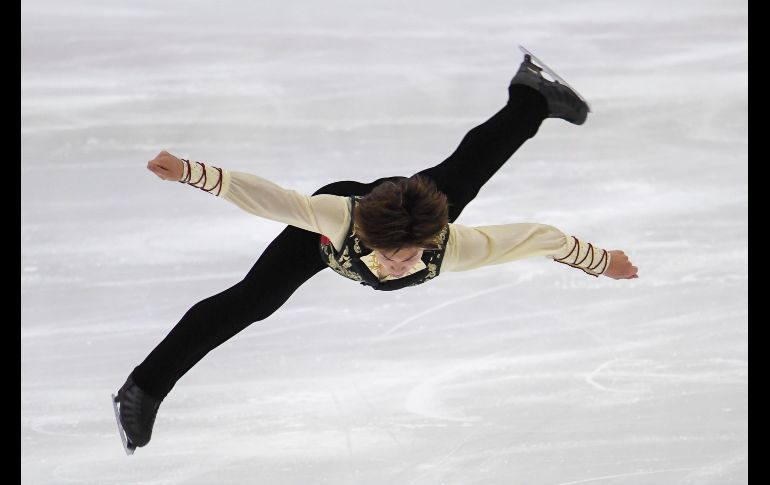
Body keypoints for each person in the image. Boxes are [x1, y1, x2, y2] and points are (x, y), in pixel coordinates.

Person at [113, 53, 639, 453]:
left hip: (416, 205)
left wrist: (601, 261)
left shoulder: (447, 246)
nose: (396, 267)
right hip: (343, 216)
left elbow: (537, 237)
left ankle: (532, 95)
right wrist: (189, 172)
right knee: (251, 301)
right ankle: (143, 387)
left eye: (406, 259)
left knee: (464, 175)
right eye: (392, 257)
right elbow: (271, 199)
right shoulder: (337, 219)